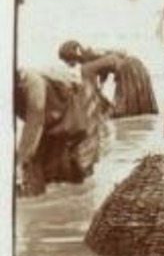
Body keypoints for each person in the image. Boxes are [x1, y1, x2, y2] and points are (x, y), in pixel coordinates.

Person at [15, 66, 105, 196]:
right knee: (49, 169)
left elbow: (34, 124)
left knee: (77, 166)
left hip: (79, 108)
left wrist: (20, 162)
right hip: (54, 118)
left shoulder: (32, 82)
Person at [58, 40, 159, 118]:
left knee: (122, 114)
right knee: (139, 111)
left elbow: (91, 94)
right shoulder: (93, 53)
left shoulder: (86, 68)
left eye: (65, 60)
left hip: (127, 72)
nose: (67, 64)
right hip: (137, 66)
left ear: (70, 57)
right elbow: (110, 62)